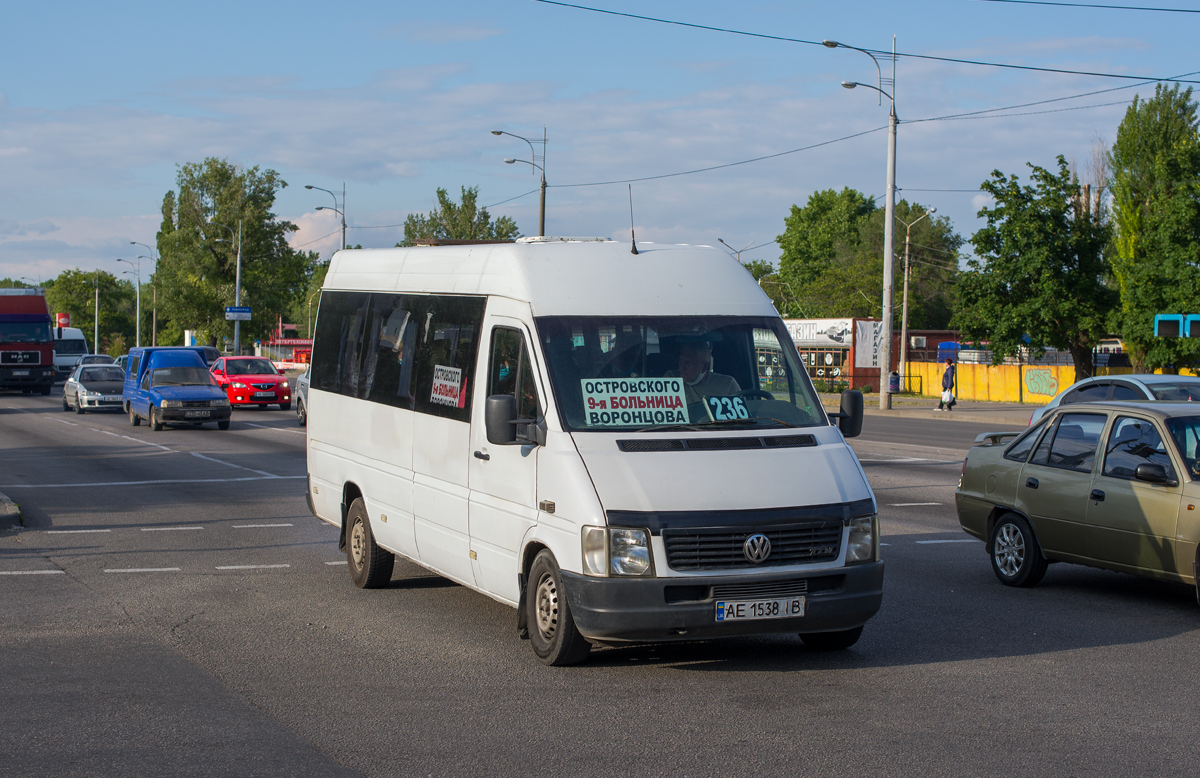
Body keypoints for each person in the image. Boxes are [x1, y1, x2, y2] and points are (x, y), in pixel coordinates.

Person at [671, 340, 740, 405]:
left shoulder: (728, 385)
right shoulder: (670, 379)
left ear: (704, 367)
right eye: (680, 361)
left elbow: (743, 416)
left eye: (688, 363)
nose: (681, 367)